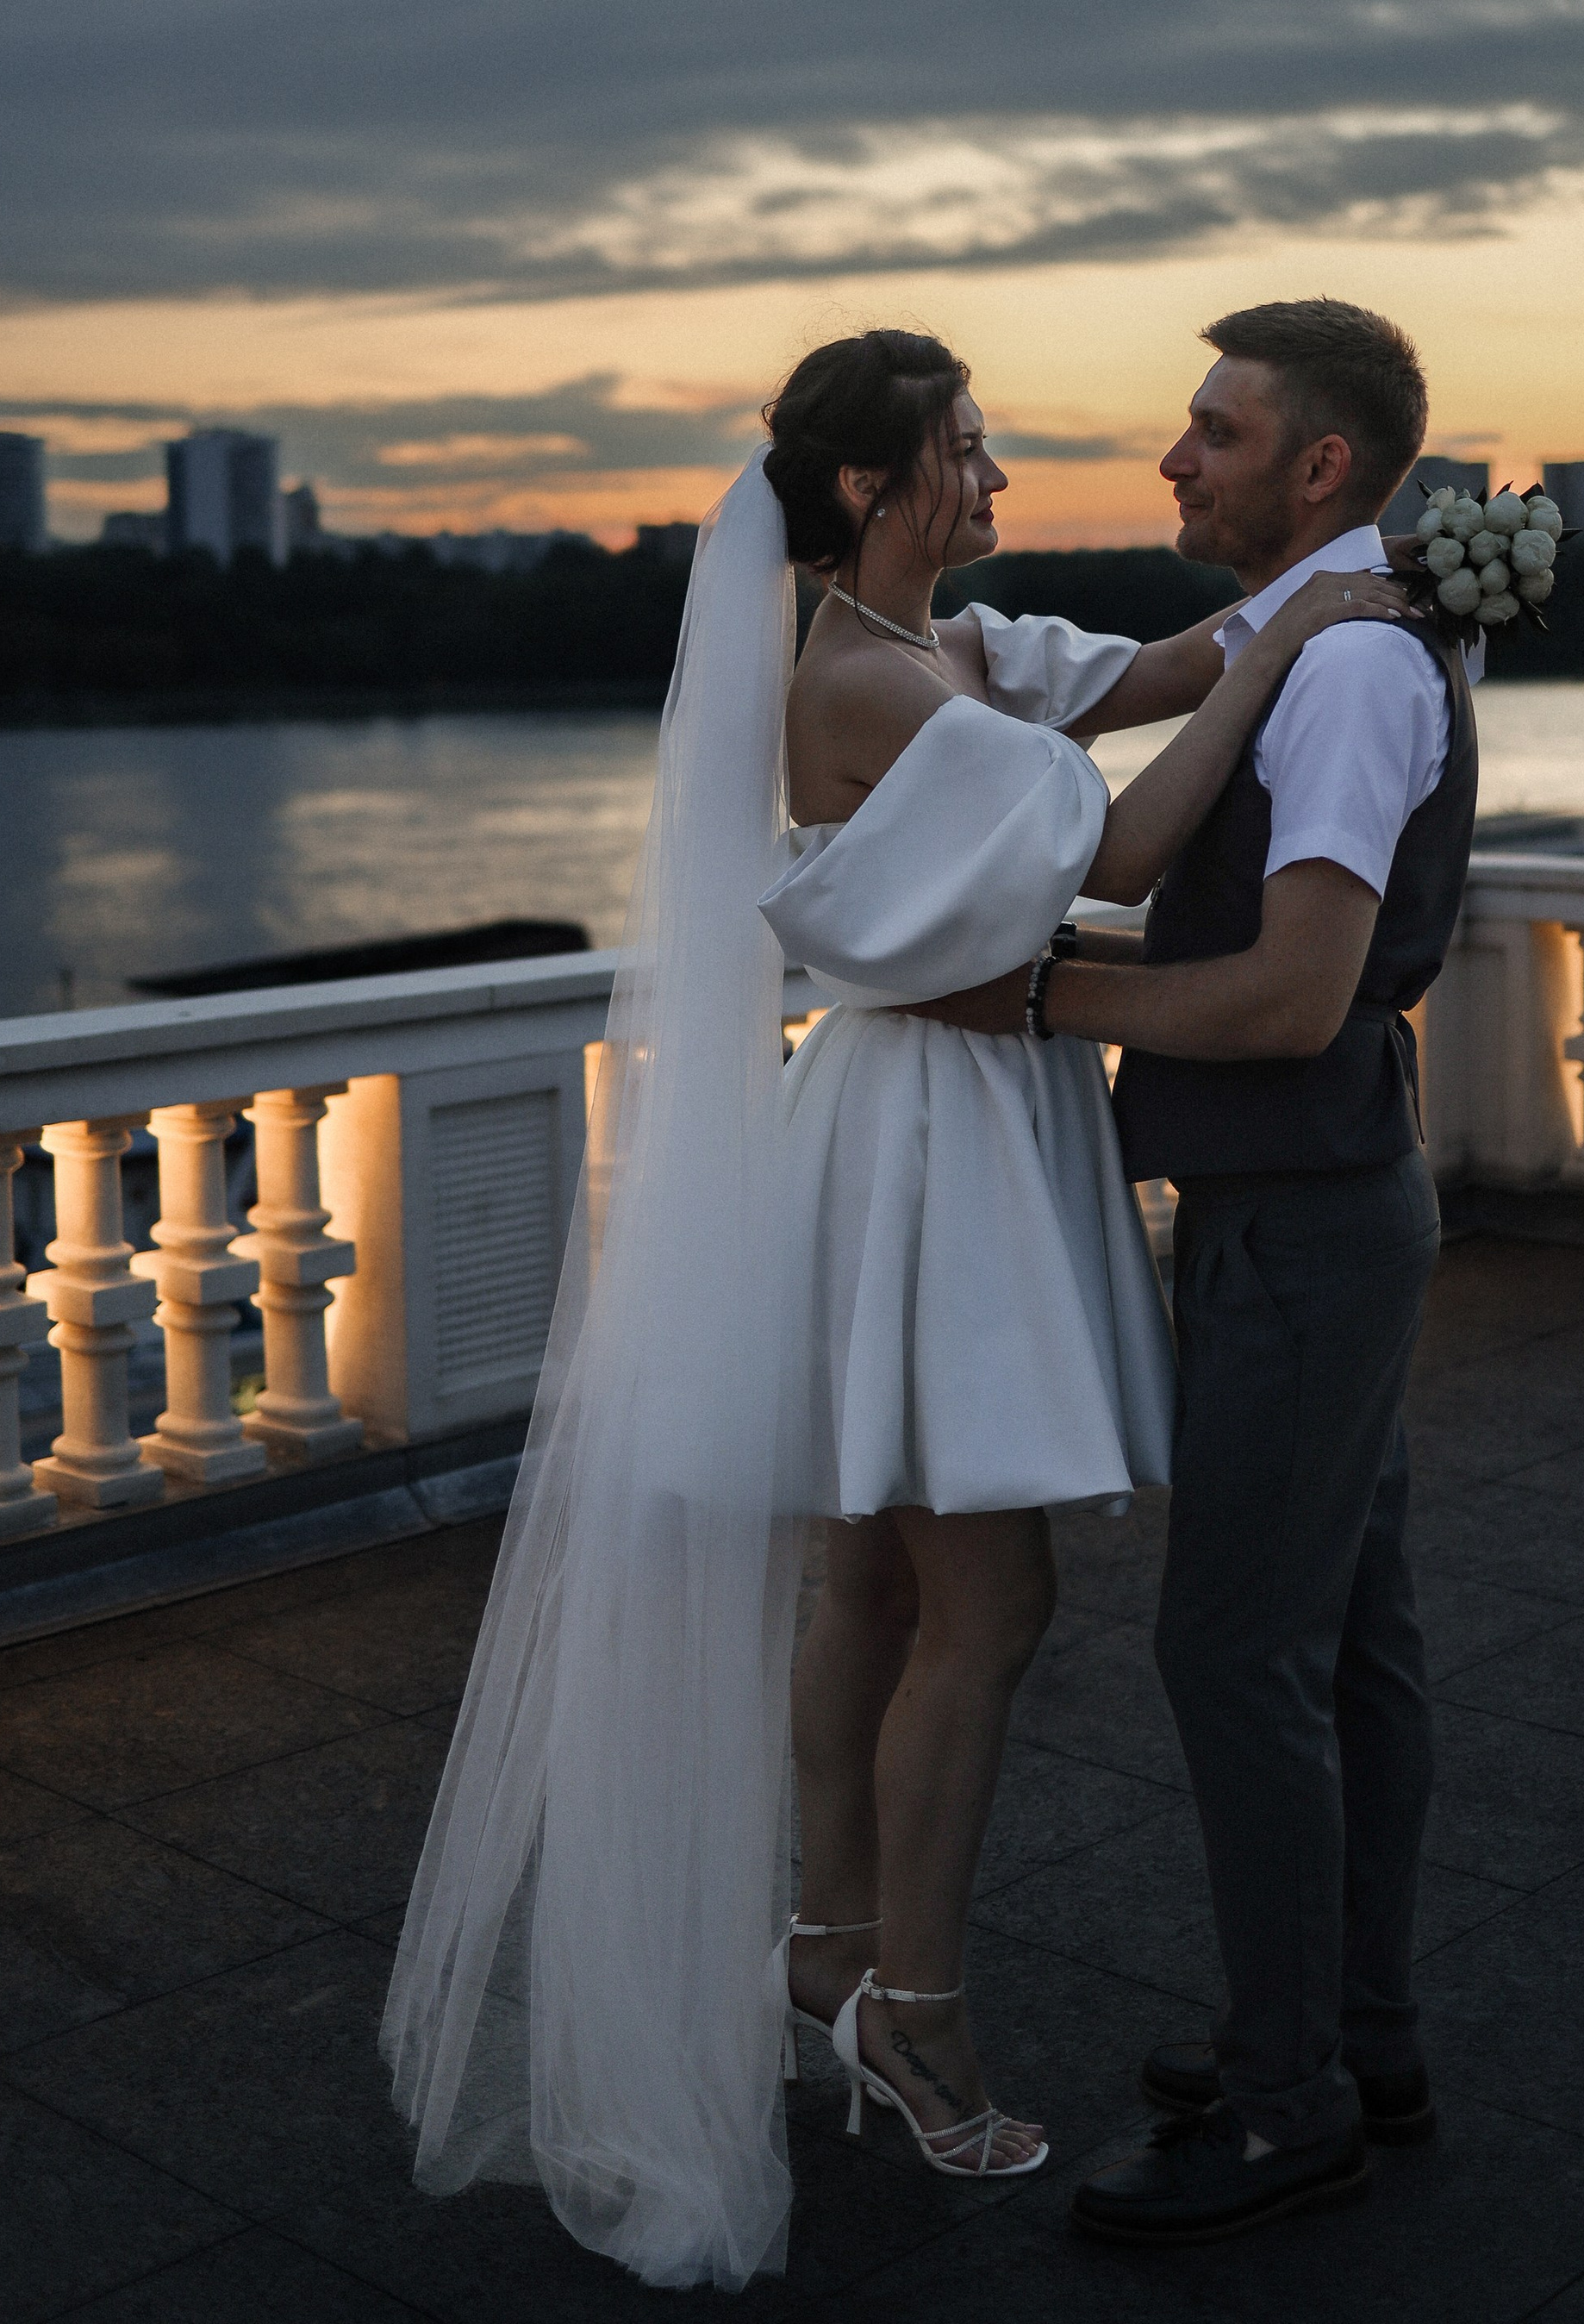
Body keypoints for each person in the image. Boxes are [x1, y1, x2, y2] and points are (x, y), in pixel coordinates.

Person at [381, 325, 1410, 2289]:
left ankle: (827, 1953)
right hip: (935, 1142)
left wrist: (1333, 595)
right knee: (987, 1602)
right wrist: (1289, 653)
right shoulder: (859, 683)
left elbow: (1139, 674)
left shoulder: (945, 653)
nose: (995, 479)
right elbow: (1108, 839)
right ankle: (914, 2013)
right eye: (961, 451)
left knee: (867, 1581)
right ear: (869, 488)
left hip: (924, 1123)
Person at [912, 297, 1478, 2250]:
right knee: (1345, 1643)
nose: (1172, 457)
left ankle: (1283, 2101)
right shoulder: (1302, 639)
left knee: (1233, 1652)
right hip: (1316, 1206)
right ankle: (1349, 2034)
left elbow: (1287, 993)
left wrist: (1027, 996)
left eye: (1212, 432)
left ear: (1316, 467)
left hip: (1303, 1227)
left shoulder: (1342, 675)